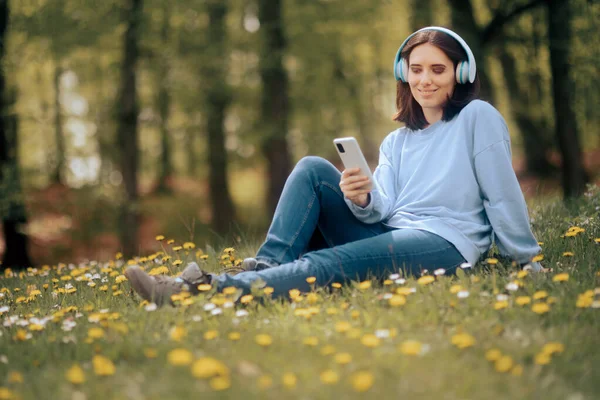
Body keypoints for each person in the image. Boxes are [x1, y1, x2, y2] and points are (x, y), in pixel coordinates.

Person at [125, 26, 543, 306]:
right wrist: (360, 198)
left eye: (438, 69)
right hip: (395, 231)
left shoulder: (477, 117)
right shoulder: (397, 141)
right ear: (404, 74)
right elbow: (383, 210)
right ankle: (270, 268)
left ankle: (199, 290)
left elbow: (501, 193)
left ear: (461, 72)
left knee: (327, 265)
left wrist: (524, 260)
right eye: (416, 70)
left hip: (446, 242)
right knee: (311, 167)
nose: (425, 80)